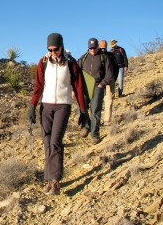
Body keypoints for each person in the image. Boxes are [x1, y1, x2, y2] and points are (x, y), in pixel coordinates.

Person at [27, 33, 87, 195]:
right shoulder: (43, 62)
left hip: (63, 106)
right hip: (46, 106)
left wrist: (83, 109)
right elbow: (38, 86)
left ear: (61, 47)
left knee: (55, 141)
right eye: (50, 49)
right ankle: (49, 178)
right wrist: (32, 106)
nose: (53, 52)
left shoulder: (71, 63)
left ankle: (55, 182)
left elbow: (79, 86)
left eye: (56, 49)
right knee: (47, 142)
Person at [78, 38, 113, 144]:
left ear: (98, 46)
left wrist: (102, 84)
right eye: (90, 48)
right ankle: (87, 126)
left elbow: (109, 75)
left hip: (98, 86)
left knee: (95, 111)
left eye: (94, 47)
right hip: (85, 87)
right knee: (82, 108)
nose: (92, 50)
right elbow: (77, 73)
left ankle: (95, 134)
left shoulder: (104, 57)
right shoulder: (83, 58)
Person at [99, 40, 115, 125]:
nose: (103, 50)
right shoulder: (96, 56)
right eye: (101, 48)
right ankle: (95, 120)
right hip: (98, 82)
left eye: (104, 48)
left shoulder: (111, 56)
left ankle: (107, 120)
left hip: (109, 81)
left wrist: (113, 78)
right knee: (96, 101)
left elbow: (115, 68)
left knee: (109, 100)